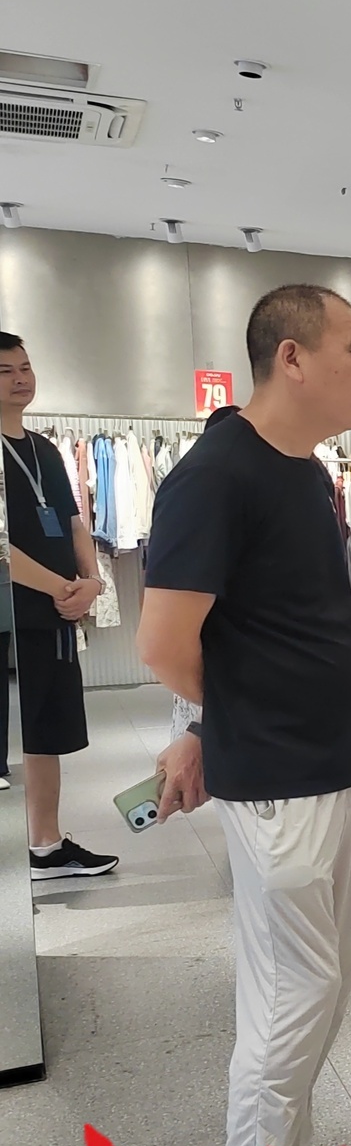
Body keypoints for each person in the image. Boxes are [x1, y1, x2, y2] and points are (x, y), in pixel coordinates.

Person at [139, 283, 351, 1146]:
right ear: (292, 357)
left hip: (326, 766)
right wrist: (223, 727)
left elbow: (266, 625)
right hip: (279, 777)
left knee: (321, 982)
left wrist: (219, 723)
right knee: (292, 995)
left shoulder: (305, 472)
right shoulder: (214, 476)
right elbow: (164, 644)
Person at [0, 331, 119, 877]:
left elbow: (73, 523)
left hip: (51, 612)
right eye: (5, 371)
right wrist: (60, 587)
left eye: (25, 367)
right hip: (14, 612)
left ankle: (45, 845)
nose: (20, 379)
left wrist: (91, 580)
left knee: (43, 731)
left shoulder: (44, 449)